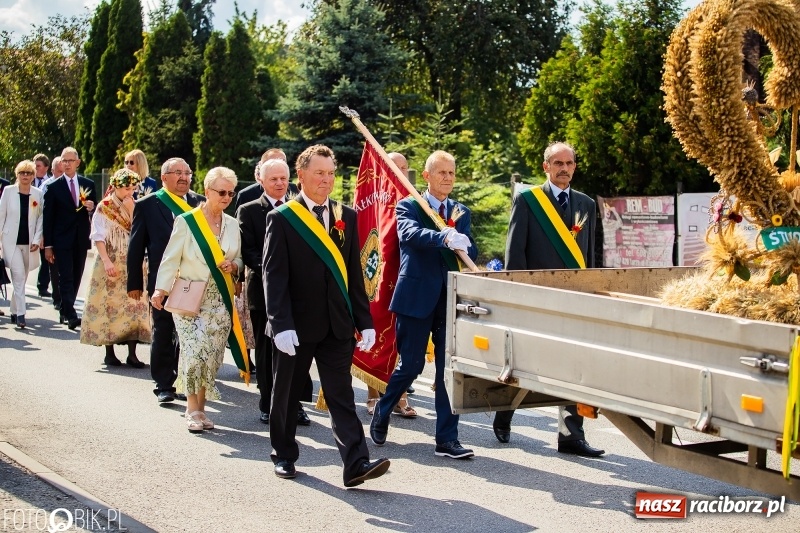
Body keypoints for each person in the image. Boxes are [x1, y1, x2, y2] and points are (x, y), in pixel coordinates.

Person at [263, 144, 389, 486]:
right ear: (300, 175)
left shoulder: (345, 216)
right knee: (286, 395)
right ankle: (284, 454)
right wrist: (280, 324)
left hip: (337, 325)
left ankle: (356, 464)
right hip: (296, 327)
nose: (327, 180)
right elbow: (273, 277)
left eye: (331, 173)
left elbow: (353, 273)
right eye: (319, 173)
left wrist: (364, 321)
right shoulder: (282, 218)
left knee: (341, 396)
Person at [491, 141, 605, 457]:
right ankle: (504, 412)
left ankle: (570, 436)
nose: (564, 169)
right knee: (526, 363)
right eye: (558, 163)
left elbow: (592, 256)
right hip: (537, 299)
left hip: (574, 300)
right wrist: (518, 297)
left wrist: (593, 291)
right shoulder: (529, 201)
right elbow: (515, 254)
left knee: (574, 364)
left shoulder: (586, 204)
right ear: (546, 167)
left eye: (569, 163)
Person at [370, 150, 478, 459]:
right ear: (427, 176)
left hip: (449, 300)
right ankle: (384, 407)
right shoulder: (410, 206)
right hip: (416, 298)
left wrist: (464, 242)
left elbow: (468, 246)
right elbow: (409, 234)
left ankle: (447, 439)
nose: (447, 178)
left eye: (451, 173)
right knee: (412, 365)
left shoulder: (461, 211)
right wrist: (443, 237)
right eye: (441, 172)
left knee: (448, 372)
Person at [150, 166, 243, 433]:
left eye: (230, 193)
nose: (226, 197)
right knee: (193, 352)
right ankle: (192, 410)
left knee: (211, 355)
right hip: (191, 298)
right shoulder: (187, 221)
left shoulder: (233, 224)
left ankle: (201, 408)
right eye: (221, 192)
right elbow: (171, 258)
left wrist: (234, 266)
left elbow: (239, 257)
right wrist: (160, 289)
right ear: (207, 190)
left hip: (220, 300)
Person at [237, 158, 313, 426]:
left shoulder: (299, 209)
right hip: (264, 294)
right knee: (268, 352)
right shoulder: (248, 210)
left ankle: (297, 405)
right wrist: (277, 272)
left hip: (298, 295)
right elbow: (248, 251)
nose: (280, 183)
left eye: (284, 178)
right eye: (274, 179)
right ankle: (268, 403)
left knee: (298, 349)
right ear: (261, 181)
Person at [128, 157, 204, 404]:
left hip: (194, 280)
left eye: (187, 172)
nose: (183, 177)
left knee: (189, 332)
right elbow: (136, 246)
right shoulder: (148, 204)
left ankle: (184, 380)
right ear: (164, 177)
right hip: (163, 280)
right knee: (163, 329)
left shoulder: (199, 203)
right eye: (177, 173)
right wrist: (135, 284)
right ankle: (163, 383)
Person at [80, 168, 151, 367]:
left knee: (133, 305)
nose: (130, 192)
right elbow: (98, 236)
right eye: (126, 188)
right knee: (108, 304)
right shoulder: (105, 207)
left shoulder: (136, 205)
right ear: (117, 187)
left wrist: (130, 208)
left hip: (132, 260)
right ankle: (109, 351)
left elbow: (140, 230)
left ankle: (132, 353)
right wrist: (107, 261)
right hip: (111, 259)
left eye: (133, 188)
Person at [364, 152, 416, 418]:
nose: (400, 172)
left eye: (404, 167)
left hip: (408, 277)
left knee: (404, 341)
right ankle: (374, 393)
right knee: (379, 333)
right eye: (394, 167)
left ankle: (399, 395)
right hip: (381, 278)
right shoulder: (377, 201)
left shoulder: (415, 200)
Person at [42, 147, 96, 330]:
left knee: (77, 274)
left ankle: (66, 308)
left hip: (80, 237)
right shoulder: (53, 187)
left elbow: (95, 212)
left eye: (70, 161)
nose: (67, 164)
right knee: (65, 276)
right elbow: (48, 218)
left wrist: (91, 207)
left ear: (78, 163)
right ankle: (71, 315)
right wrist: (48, 245)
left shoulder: (88, 184)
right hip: (61, 239)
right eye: (64, 161)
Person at [0, 160, 44, 329]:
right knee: (18, 276)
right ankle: (21, 315)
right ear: (17, 175)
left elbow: (40, 219)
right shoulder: (8, 191)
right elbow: (1, 216)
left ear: (33, 176)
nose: (25, 176)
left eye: (29, 173)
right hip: (11, 241)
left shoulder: (38, 194)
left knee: (22, 278)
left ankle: (13, 310)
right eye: (22, 173)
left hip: (29, 243)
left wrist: (36, 239)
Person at [234, 148, 298, 210]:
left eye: (282, 161)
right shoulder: (246, 195)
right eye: (272, 162)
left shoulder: (294, 188)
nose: (277, 164)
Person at [40, 156, 62, 311]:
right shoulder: (46, 186)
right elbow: (42, 212)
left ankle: (65, 299)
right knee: (52, 266)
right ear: (53, 170)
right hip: (51, 232)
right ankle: (56, 297)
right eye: (59, 171)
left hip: (66, 233)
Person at [32, 154, 52, 297]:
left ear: (46, 167)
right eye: (34, 165)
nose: (35, 168)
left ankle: (42, 286)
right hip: (29, 223)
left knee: (45, 255)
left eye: (38, 166)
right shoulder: (26, 180)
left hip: (43, 223)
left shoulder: (50, 183)